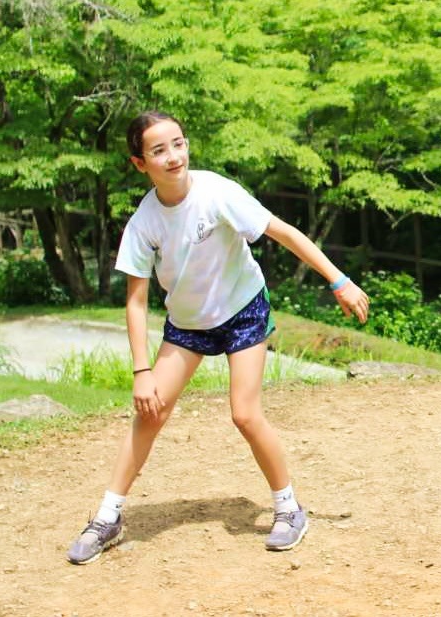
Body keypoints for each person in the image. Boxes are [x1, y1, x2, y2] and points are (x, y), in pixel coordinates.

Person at [66, 111, 370, 565]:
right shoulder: (144, 222)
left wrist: (338, 280)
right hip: (188, 324)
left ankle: (289, 509)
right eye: (158, 150)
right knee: (150, 411)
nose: (173, 157)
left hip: (242, 310)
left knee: (245, 415)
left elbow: (283, 233)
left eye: (179, 144)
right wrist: (141, 371)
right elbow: (135, 301)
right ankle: (109, 516)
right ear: (139, 164)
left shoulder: (217, 192)